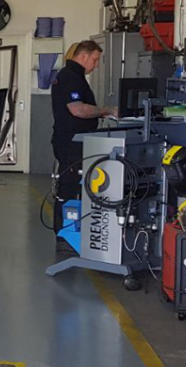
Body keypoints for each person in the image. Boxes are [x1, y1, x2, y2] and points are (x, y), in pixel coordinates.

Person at [50, 40, 116, 251]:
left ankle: (71, 233)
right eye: (95, 60)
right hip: (72, 143)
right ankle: (65, 236)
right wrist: (107, 111)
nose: (95, 65)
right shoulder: (70, 77)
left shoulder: (73, 76)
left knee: (73, 186)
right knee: (69, 188)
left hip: (73, 141)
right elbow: (77, 110)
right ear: (84, 56)